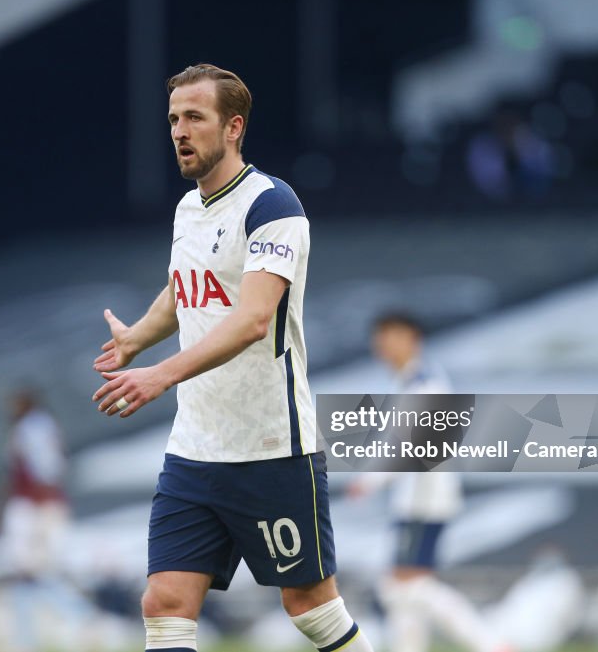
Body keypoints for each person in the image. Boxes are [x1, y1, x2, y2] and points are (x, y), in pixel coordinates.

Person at [92, 64, 374, 652]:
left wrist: (159, 374)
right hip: (195, 448)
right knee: (164, 603)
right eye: (173, 119)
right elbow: (185, 285)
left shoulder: (273, 206)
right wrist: (139, 336)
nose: (179, 131)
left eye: (194, 117)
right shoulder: (188, 209)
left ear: (233, 127)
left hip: (272, 448)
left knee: (311, 609)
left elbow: (252, 319)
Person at [350, 313, 508, 652]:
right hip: (418, 498)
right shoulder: (412, 382)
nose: (383, 344)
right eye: (380, 336)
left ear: (412, 337)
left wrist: (371, 481)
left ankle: (492, 643)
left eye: (391, 335)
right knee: (403, 588)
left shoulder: (426, 384)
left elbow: (417, 446)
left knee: (405, 586)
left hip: (424, 499)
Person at [1, 389, 88, 651]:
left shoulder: (34, 426)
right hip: (36, 504)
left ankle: (79, 616)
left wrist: (39, 509)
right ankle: (28, 637)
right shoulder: (38, 426)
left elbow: (45, 468)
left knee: (34, 572)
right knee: (28, 574)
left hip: (35, 506)